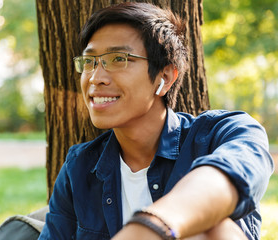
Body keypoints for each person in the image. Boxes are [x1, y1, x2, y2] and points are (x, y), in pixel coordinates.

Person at [38, 2, 274, 240]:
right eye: (89, 62)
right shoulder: (79, 167)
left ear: (165, 77)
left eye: (118, 59)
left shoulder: (224, 133)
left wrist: (149, 228)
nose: (95, 78)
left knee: (214, 228)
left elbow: (230, 177)